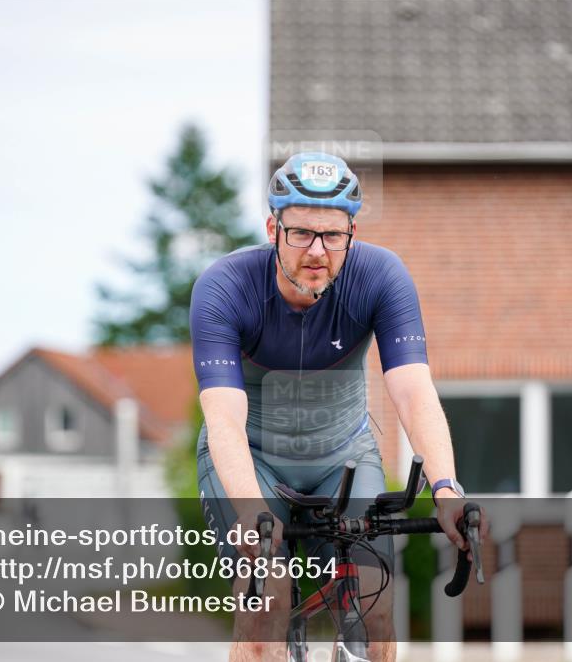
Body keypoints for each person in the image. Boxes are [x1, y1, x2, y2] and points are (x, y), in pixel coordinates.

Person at [191, 152, 486, 662]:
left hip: (343, 460)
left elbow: (415, 392)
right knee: (267, 602)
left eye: (332, 236)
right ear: (272, 228)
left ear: (352, 232)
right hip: (252, 460)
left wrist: (446, 488)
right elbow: (223, 418)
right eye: (301, 233)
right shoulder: (225, 287)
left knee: (374, 614)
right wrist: (250, 510)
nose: (317, 251)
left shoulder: (381, 276)